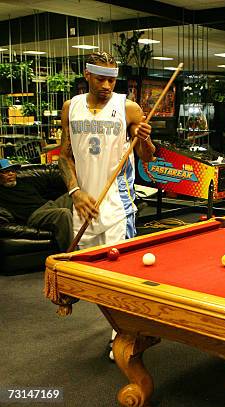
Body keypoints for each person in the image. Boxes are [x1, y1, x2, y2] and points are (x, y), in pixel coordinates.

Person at [59, 51, 155, 359]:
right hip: (84, 205)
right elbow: (65, 156)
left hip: (118, 205)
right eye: (100, 78)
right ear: (86, 75)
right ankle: (114, 321)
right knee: (87, 275)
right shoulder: (70, 108)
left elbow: (147, 156)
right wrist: (75, 191)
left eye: (112, 79)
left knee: (120, 276)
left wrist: (144, 138)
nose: (107, 85)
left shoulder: (128, 108)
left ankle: (123, 337)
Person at [0, 158, 73, 251]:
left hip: (50, 205)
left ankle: (93, 244)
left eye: (12, 171)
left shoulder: (26, 182)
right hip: (35, 215)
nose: (10, 174)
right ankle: (71, 254)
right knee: (64, 213)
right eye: (5, 172)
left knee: (76, 195)